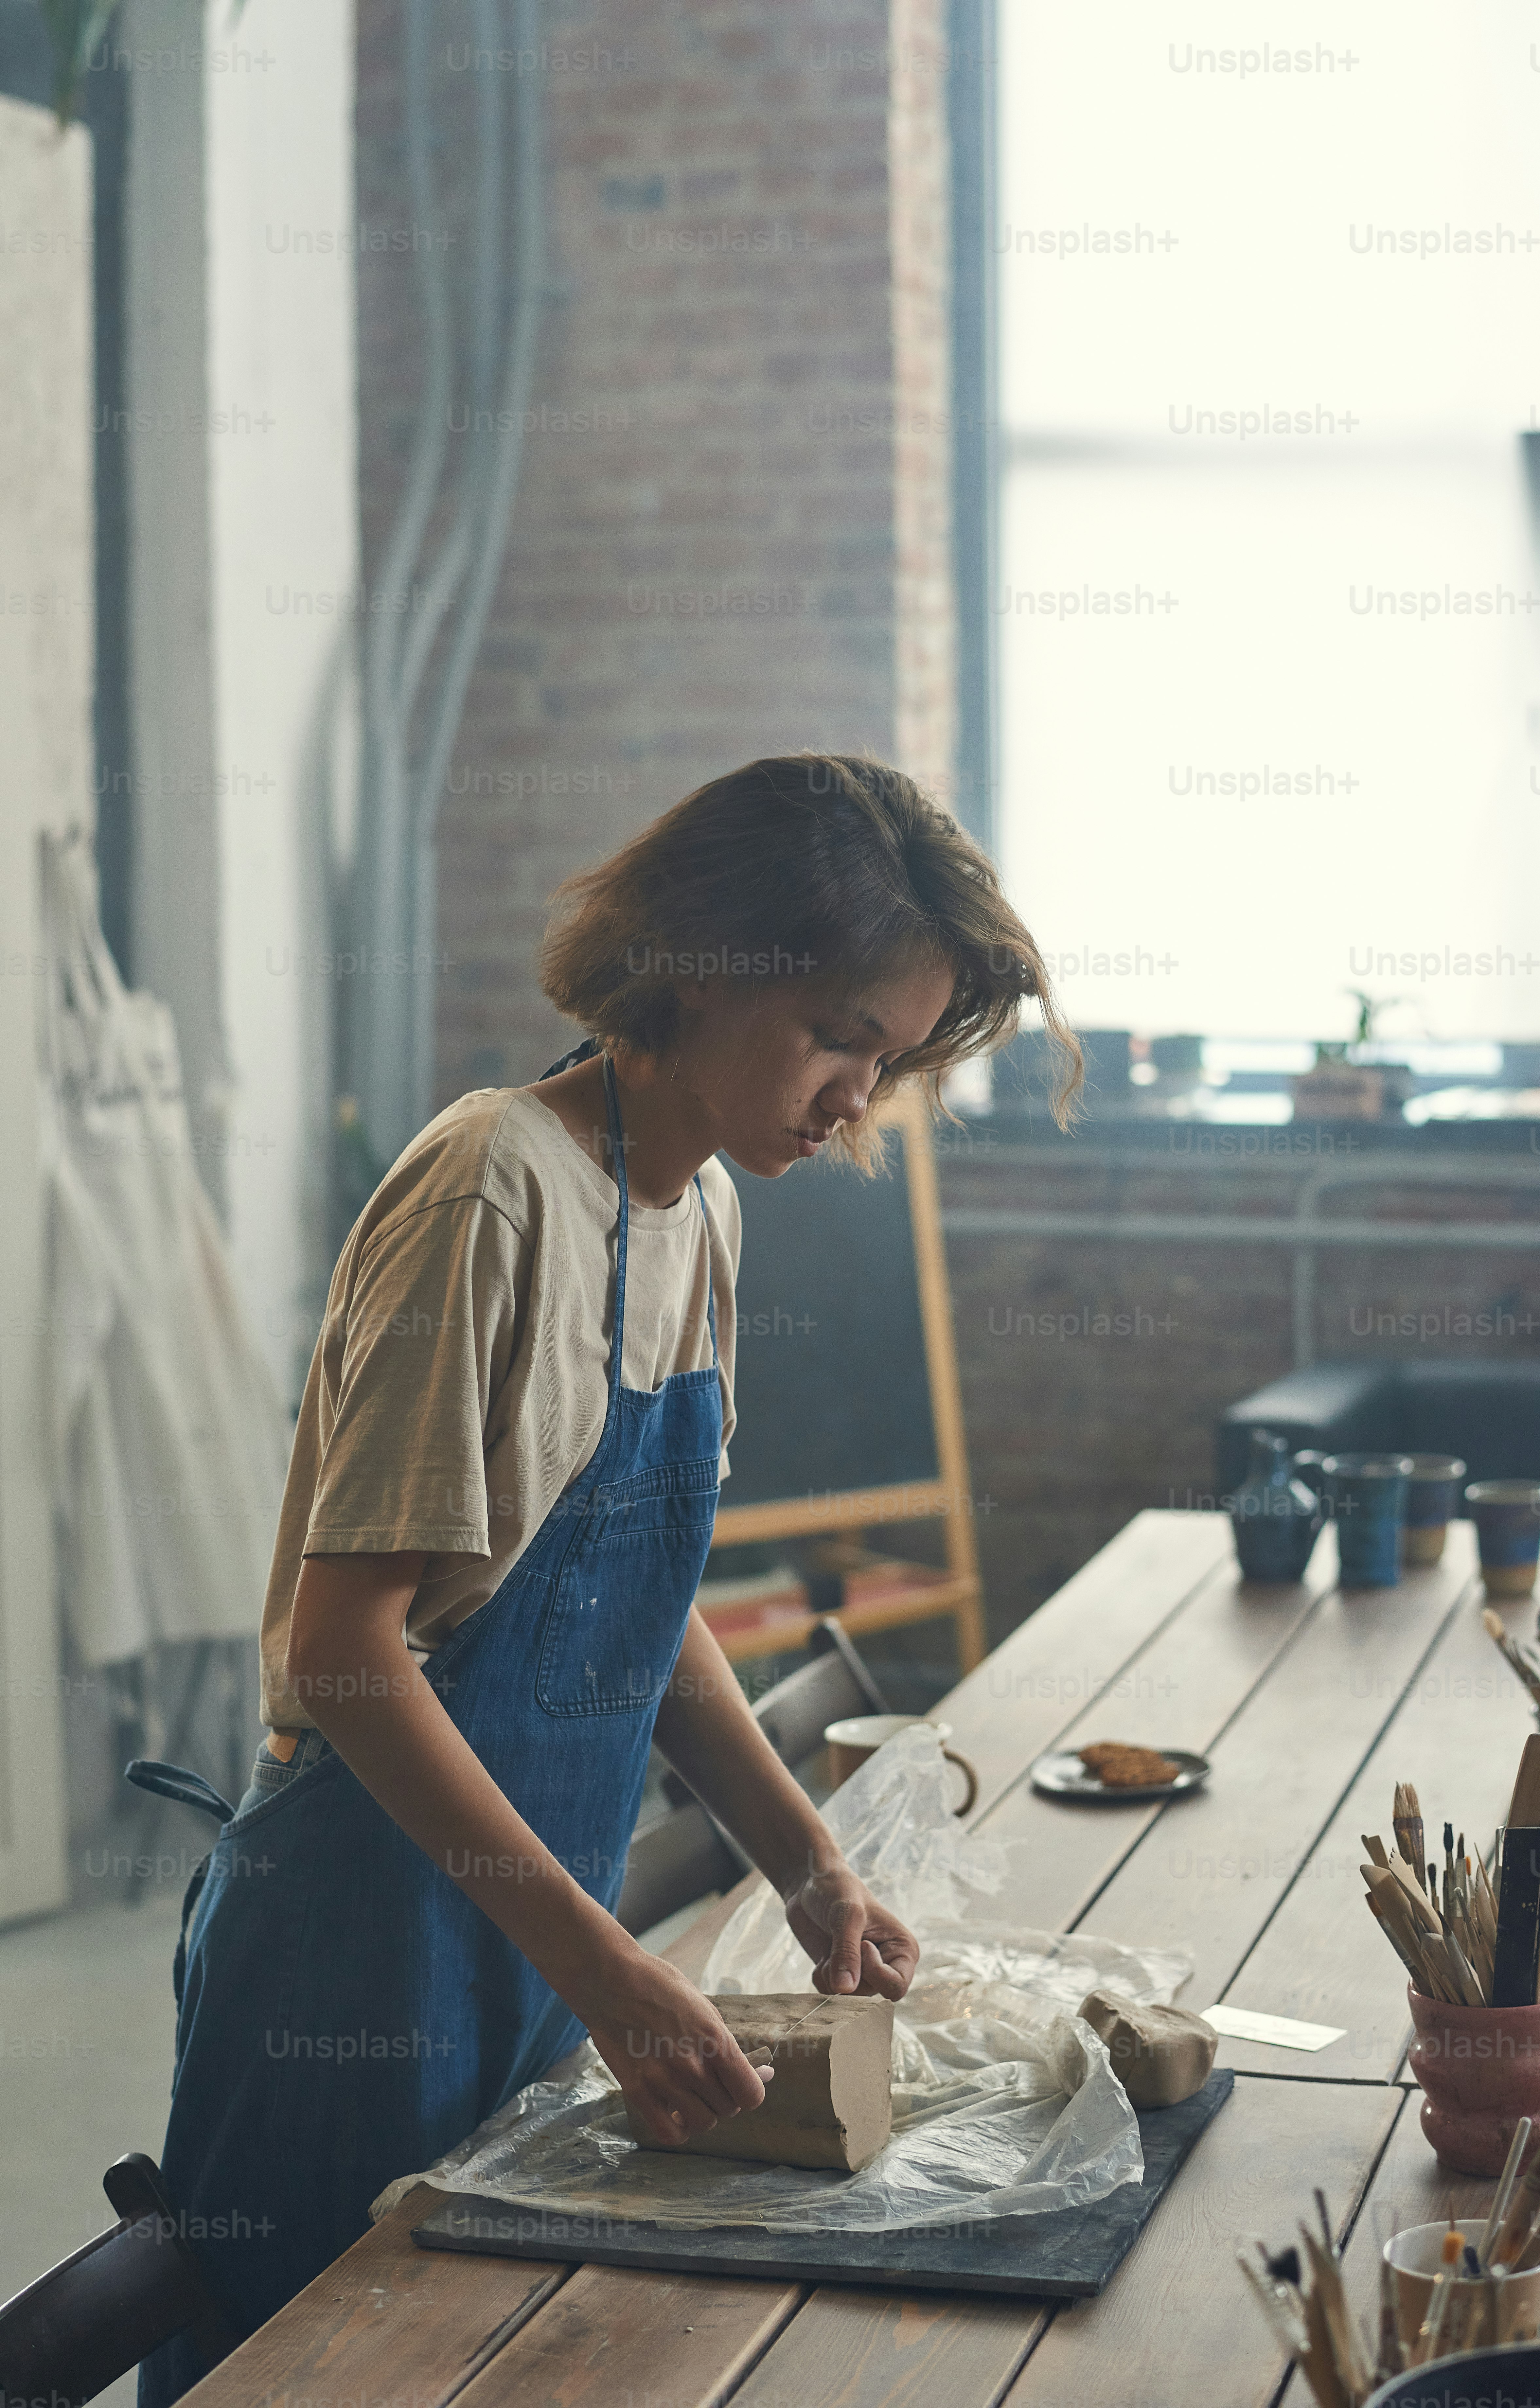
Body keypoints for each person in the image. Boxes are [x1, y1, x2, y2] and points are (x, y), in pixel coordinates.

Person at [129, 753, 1080, 2403]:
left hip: (526, 1936)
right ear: (713, 959)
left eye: (895, 1057)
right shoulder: (493, 1184)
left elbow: (637, 1614)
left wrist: (808, 1863)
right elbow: (347, 1650)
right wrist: (606, 1966)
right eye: (844, 1034)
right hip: (356, 1942)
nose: (861, 1092)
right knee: (310, 2364)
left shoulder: (700, 1210)